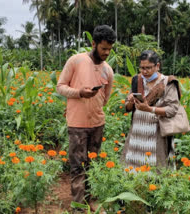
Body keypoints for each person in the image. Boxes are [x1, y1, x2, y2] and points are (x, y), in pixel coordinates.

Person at [56, 25, 116, 208]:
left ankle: (91, 200)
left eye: (109, 49)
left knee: (93, 165)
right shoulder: (76, 61)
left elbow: (105, 99)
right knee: (77, 166)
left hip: (97, 123)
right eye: (103, 48)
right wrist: (80, 93)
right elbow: (60, 87)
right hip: (77, 124)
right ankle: (79, 207)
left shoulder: (108, 70)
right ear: (94, 43)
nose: (106, 52)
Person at [121, 50, 181, 169]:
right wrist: (130, 101)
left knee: (155, 169)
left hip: (157, 134)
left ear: (157, 66)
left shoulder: (167, 83)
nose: (144, 71)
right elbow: (127, 107)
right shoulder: (137, 80)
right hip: (137, 135)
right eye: (142, 68)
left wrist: (150, 109)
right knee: (133, 169)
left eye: (148, 68)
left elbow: (172, 110)